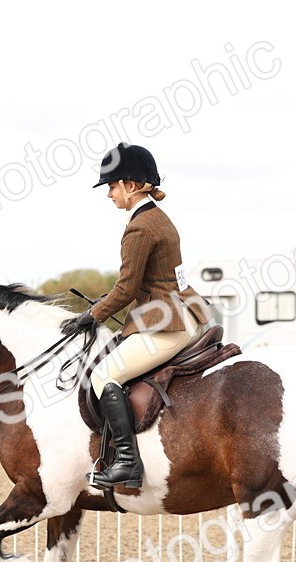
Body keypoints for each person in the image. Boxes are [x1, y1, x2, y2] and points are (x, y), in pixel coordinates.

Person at [61, 143, 211, 489]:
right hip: (186, 314)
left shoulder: (140, 227)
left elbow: (126, 289)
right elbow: (150, 282)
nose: (109, 194)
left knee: (103, 376)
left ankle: (128, 463)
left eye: (112, 186)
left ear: (130, 185)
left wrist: (92, 316)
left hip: (167, 325)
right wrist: (101, 303)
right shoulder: (159, 218)